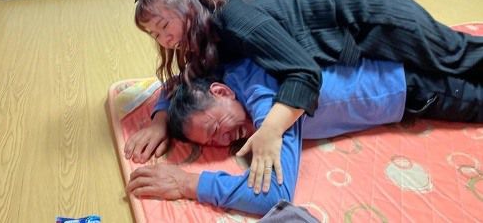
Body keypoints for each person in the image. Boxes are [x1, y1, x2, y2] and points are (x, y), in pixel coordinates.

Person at [129, 0, 483, 193]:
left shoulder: (234, 19)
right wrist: (161, 119)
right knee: (442, 69)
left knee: (456, 57)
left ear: (187, 8)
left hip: (369, 10)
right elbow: (186, 80)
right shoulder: (209, 36)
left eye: (164, 26)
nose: (165, 40)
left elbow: (304, 73)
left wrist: (270, 130)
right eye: (154, 35)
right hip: (349, 33)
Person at [127, 58, 483, 215]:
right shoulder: (231, 70)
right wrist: (161, 120)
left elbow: (274, 195)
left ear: (221, 91)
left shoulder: (270, 105)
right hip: (399, 62)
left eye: (216, 128)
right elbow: (178, 80)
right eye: (212, 142)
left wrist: (188, 183)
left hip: (414, 86)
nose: (225, 141)